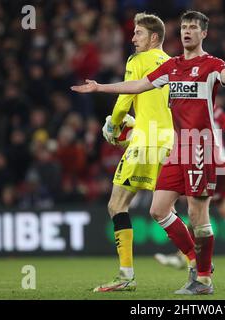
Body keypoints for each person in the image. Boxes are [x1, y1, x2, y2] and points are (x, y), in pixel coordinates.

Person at [72, 10, 225, 294]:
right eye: (184, 27)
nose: (187, 31)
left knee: (199, 217)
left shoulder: (212, 64)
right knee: (158, 209)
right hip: (175, 146)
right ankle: (196, 265)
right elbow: (138, 86)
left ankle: (204, 278)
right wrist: (99, 87)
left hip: (200, 146)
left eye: (193, 27)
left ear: (203, 33)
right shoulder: (172, 65)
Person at [73, 13, 174, 292]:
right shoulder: (172, 65)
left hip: (143, 142)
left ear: (154, 38)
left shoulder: (137, 61)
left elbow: (125, 98)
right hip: (171, 142)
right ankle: (198, 268)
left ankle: (126, 275)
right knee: (166, 209)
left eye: (138, 33)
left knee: (117, 205)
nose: (132, 38)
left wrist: (113, 123)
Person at [154, 105, 225, 271]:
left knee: (197, 211)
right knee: (223, 207)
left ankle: (189, 259)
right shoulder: (213, 107)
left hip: (208, 161)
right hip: (222, 162)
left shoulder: (190, 107)